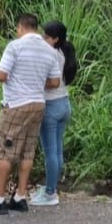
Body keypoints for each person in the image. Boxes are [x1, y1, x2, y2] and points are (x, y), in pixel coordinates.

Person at [0, 14, 61, 215]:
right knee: (27, 151)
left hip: (16, 106)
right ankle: (20, 197)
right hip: (38, 104)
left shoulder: (15, 46)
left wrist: (12, 78)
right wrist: (36, 83)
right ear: (36, 28)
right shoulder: (49, 51)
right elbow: (55, 82)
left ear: (20, 27)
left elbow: (0, 75)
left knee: (5, 150)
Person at [31, 20, 76, 207]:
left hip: (50, 106)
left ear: (56, 39)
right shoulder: (67, 50)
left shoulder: (51, 54)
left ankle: (50, 193)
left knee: (50, 152)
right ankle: (52, 187)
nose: (43, 39)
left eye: (47, 37)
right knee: (57, 150)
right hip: (64, 103)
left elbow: (47, 79)